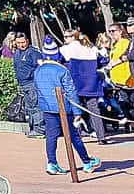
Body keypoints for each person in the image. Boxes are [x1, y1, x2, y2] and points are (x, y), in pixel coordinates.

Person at [32, 39, 103, 175]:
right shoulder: (62, 70)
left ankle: (52, 163)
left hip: (47, 108)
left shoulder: (38, 71)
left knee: (51, 136)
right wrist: (77, 112)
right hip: (65, 108)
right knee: (74, 136)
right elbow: (71, 92)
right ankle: (87, 162)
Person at [61, 28, 109, 144]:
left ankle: (77, 136)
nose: (65, 39)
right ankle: (101, 136)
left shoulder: (65, 50)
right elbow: (103, 61)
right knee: (94, 111)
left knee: (75, 111)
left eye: (67, 36)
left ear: (74, 37)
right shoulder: (91, 49)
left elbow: (58, 61)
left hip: (75, 84)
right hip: (91, 84)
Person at [10, 33, 43, 138]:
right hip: (23, 84)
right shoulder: (17, 53)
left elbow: (39, 67)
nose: (21, 45)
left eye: (23, 42)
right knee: (29, 107)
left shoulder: (33, 52)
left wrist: (32, 77)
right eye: (19, 43)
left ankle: (40, 129)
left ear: (27, 41)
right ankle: (33, 128)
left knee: (36, 106)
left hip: (32, 83)